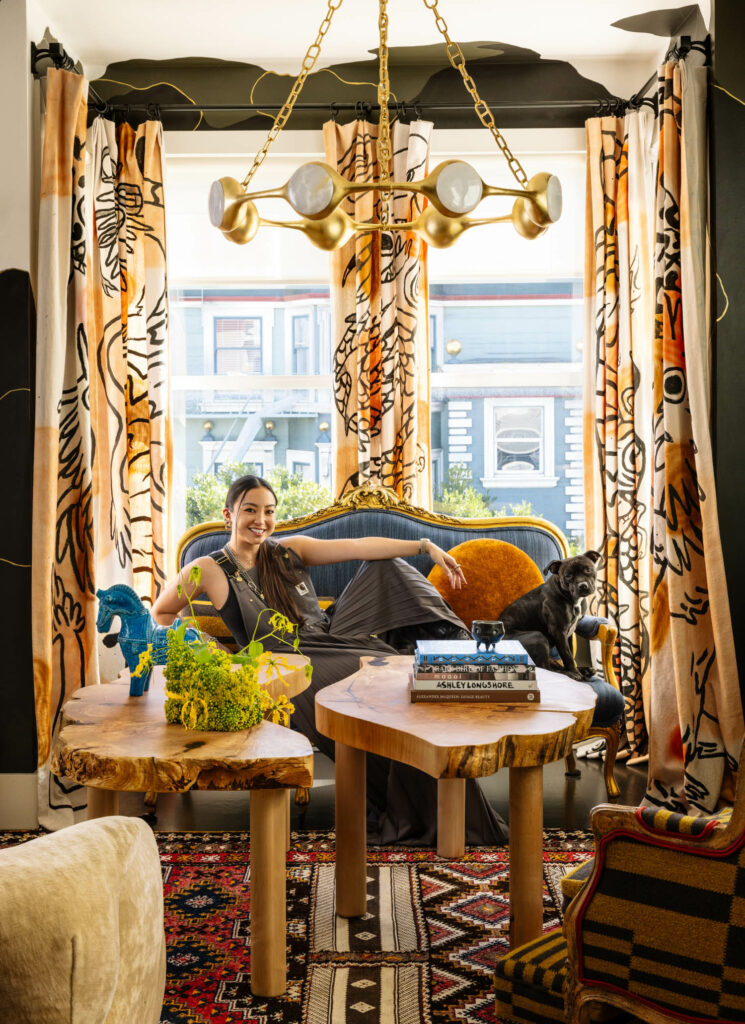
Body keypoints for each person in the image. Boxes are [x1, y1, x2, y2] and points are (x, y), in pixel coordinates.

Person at [152, 474, 509, 846]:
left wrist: (425, 546)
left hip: (329, 635)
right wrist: (209, 647)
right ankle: (418, 809)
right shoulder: (209, 568)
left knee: (385, 567)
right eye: (250, 511)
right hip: (284, 659)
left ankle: (448, 641)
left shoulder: (288, 550)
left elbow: (358, 546)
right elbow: (161, 614)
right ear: (229, 515)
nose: (261, 520)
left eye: (269, 511)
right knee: (383, 686)